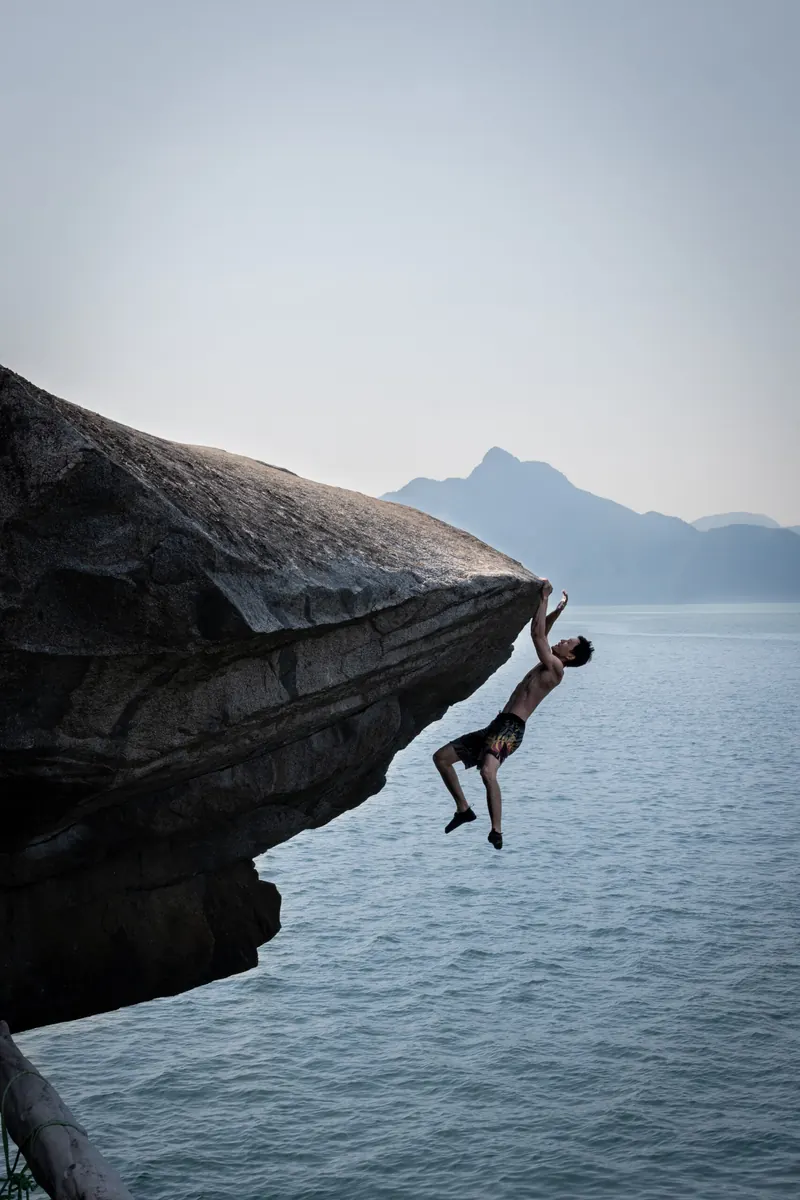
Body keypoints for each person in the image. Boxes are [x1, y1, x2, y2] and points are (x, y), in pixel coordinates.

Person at [432, 581, 593, 849]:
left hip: (511, 729)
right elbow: (543, 631)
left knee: (487, 772)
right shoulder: (550, 661)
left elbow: (537, 636)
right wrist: (556, 610)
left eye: (568, 643)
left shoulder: (555, 669)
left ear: (570, 657)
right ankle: (463, 808)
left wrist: (543, 598)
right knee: (441, 758)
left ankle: (497, 830)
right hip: (497, 724)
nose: (562, 641)